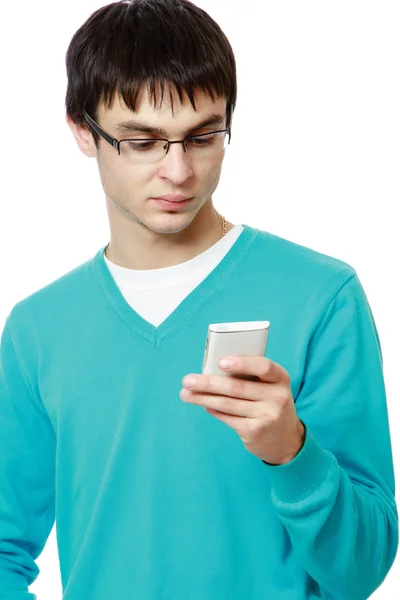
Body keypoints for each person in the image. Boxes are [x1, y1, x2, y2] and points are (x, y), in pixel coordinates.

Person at [0, 0, 398, 598]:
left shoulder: (322, 297)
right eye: (142, 142)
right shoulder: (38, 329)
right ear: (83, 130)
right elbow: (5, 550)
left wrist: (292, 453)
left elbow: (361, 570)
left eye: (203, 136)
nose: (179, 171)